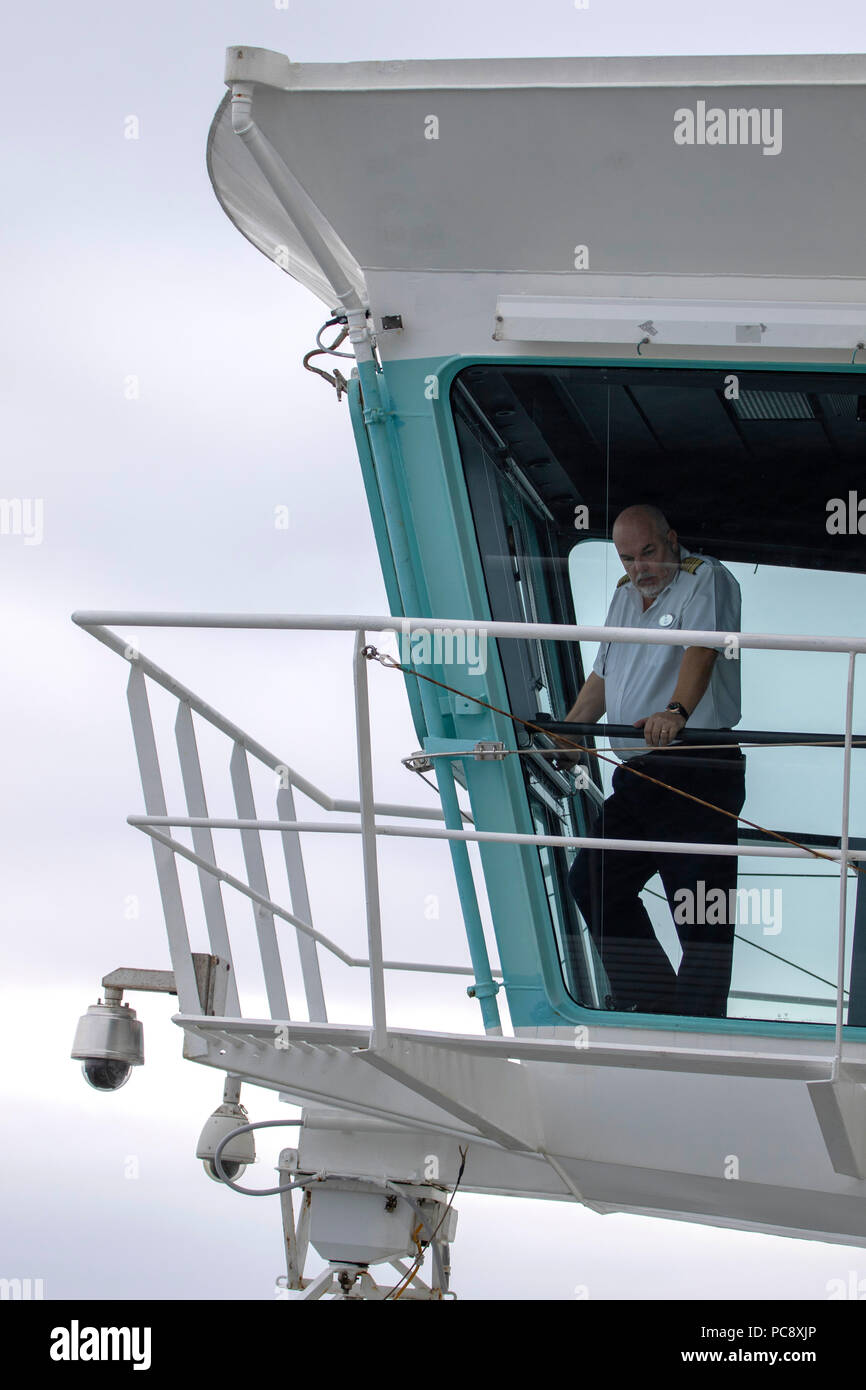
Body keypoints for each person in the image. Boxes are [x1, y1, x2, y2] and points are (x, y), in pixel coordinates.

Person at [562, 504, 745, 1017]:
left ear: (672, 538)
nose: (640, 567)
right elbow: (604, 674)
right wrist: (573, 729)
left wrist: (676, 710)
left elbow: (701, 650)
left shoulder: (705, 578)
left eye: (648, 552)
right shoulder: (624, 596)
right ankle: (654, 1006)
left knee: (702, 911)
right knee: (594, 882)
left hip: (696, 765)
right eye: (627, 558)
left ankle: (699, 1028)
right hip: (640, 773)